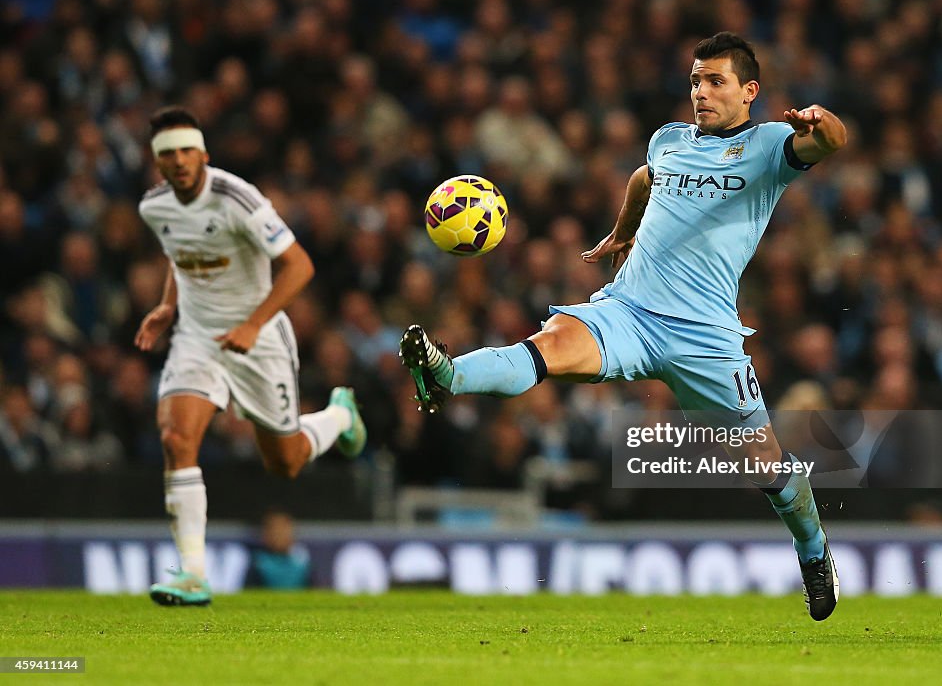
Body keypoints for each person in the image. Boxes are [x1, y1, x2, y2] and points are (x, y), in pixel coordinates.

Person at [400, 33, 846, 620]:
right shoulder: (669, 140)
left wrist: (821, 118)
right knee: (547, 348)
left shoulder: (768, 147)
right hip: (629, 311)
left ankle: (813, 552)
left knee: (765, 467)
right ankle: (446, 374)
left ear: (749, 91)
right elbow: (643, 178)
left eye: (716, 82)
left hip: (707, 338)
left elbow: (832, 142)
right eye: (695, 80)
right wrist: (624, 230)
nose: (701, 92)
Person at [135, 106, 366, 606]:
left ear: (203, 154)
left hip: (258, 340)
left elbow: (298, 266)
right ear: (158, 163)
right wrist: (168, 306)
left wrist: (253, 324)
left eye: (185, 151)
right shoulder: (154, 207)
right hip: (197, 339)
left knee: (285, 462)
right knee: (177, 438)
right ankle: (193, 574)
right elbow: (181, 255)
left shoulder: (237, 199)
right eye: (167, 154)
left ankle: (337, 415)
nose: (178, 161)